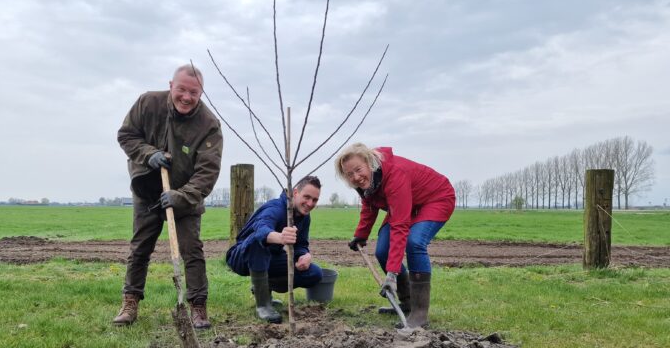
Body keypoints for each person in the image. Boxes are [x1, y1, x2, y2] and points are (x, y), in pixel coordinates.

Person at [113, 64, 223, 329]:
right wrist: (148, 154)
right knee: (140, 247)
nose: (186, 97)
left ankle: (198, 306)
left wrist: (181, 196)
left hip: (185, 195)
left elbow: (207, 172)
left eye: (194, 92)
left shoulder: (209, 125)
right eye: (182, 89)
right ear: (171, 85)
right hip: (147, 188)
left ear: (201, 94)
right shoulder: (147, 103)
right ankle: (130, 301)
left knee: (192, 250)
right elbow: (126, 135)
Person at [335, 143, 454, 328]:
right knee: (382, 251)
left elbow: (400, 226)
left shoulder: (394, 174)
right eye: (349, 174)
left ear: (369, 162)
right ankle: (407, 303)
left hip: (435, 198)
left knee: (414, 243)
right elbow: (369, 206)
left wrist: (392, 274)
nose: (356, 177)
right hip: (409, 202)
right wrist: (361, 234)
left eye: (358, 170)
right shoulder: (369, 182)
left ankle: (420, 314)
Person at [226, 176, 324, 324]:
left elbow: (301, 244)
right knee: (257, 242)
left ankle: (262, 290)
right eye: (307, 197)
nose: (310, 203)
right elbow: (260, 230)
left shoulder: (304, 217)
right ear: (295, 192)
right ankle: (263, 305)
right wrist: (280, 237)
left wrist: (305, 255)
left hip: (270, 259)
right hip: (242, 256)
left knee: (314, 273)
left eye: (315, 200)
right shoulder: (276, 208)